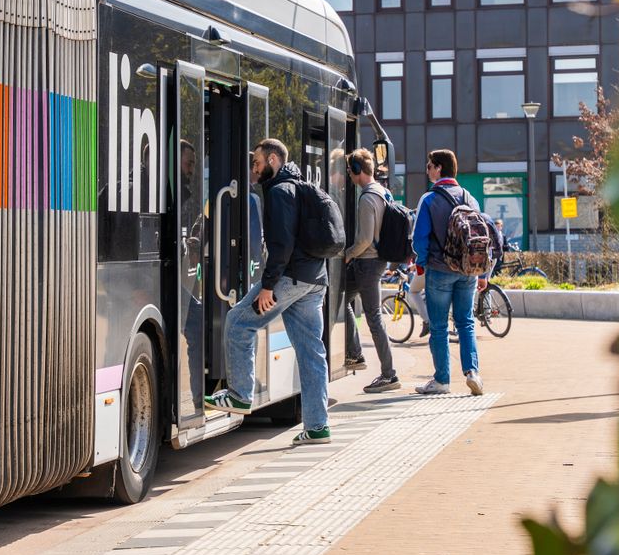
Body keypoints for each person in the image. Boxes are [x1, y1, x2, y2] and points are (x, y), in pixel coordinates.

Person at [204, 138, 332, 445]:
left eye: (257, 163)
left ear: (273, 160)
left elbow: (281, 244)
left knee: (238, 322)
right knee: (311, 352)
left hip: (289, 278)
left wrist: (268, 285)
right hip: (316, 280)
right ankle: (317, 427)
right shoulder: (302, 185)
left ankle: (239, 394)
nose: (254, 169)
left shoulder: (278, 191)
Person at [411, 149, 487, 396]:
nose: (427, 169)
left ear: (439, 168)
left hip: (439, 269)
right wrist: (483, 272)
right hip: (468, 271)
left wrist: (421, 263)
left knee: (439, 326)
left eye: (429, 165)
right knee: (466, 322)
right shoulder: (470, 198)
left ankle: (442, 381)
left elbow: (419, 238)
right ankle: (473, 373)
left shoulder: (429, 199)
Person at [341, 148, 400, 393]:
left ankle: (389, 374)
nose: (349, 177)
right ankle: (354, 354)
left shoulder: (366, 198)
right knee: (341, 297)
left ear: (356, 171)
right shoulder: (384, 192)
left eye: (349, 171)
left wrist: (348, 253)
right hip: (374, 261)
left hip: (367, 262)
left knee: (373, 317)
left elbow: (365, 239)